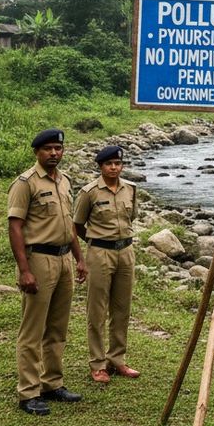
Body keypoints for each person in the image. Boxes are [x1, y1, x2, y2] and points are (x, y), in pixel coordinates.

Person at [8, 128, 87, 416]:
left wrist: (80, 259)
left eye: (58, 148)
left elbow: (69, 226)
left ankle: (51, 383)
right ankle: (28, 392)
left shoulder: (64, 181)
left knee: (57, 326)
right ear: (37, 152)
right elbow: (15, 227)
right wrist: (24, 270)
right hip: (39, 260)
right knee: (33, 329)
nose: (54, 153)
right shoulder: (25, 183)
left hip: (64, 259)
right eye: (48, 149)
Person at [73, 145, 140, 384]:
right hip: (100, 253)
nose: (114, 168)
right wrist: (95, 242)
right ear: (100, 167)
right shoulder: (89, 192)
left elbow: (131, 218)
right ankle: (98, 364)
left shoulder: (130, 189)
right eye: (109, 164)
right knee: (97, 310)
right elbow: (77, 224)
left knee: (122, 308)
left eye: (117, 164)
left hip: (126, 252)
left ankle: (117, 359)